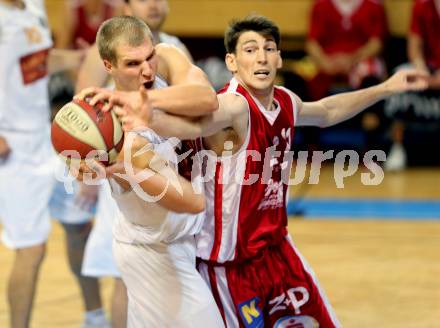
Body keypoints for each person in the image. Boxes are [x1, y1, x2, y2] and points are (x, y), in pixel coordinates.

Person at [95, 15, 428, 327]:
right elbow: (195, 124)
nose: (262, 58)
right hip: (230, 265)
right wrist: (145, 117)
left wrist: (386, 88)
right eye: (250, 50)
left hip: (278, 252)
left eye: (269, 49)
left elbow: (327, 110)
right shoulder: (234, 105)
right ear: (232, 63)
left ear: (280, 59)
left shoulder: (285, 100)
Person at [74, 16, 223, 327]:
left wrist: (141, 100)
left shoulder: (166, 58)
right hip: (154, 253)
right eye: (132, 64)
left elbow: (208, 100)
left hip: (186, 242)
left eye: (149, 56)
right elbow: (193, 202)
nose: (147, 69)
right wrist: (128, 171)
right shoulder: (121, 137)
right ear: (108, 65)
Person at [0, 1, 97, 327]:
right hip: (10, 147)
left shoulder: (34, 5)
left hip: (44, 137)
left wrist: (78, 59)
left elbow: (36, 61)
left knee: (79, 224)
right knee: (32, 250)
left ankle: (95, 317)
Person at [385, 0, 440, 171]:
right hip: (430, 68)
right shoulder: (422, 5)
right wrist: (420, 68)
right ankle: (398, 146)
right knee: (402, 77)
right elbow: (414, 45)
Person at [306, 0, 388, 100]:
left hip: (360, 60)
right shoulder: (320, 5)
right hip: (327, 61)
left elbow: (376, 43)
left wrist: (352, 60)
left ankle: (368, 113)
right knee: (302, 75)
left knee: (371, 75)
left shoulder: (373, 5)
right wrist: (325, 63)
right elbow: (312, 43)